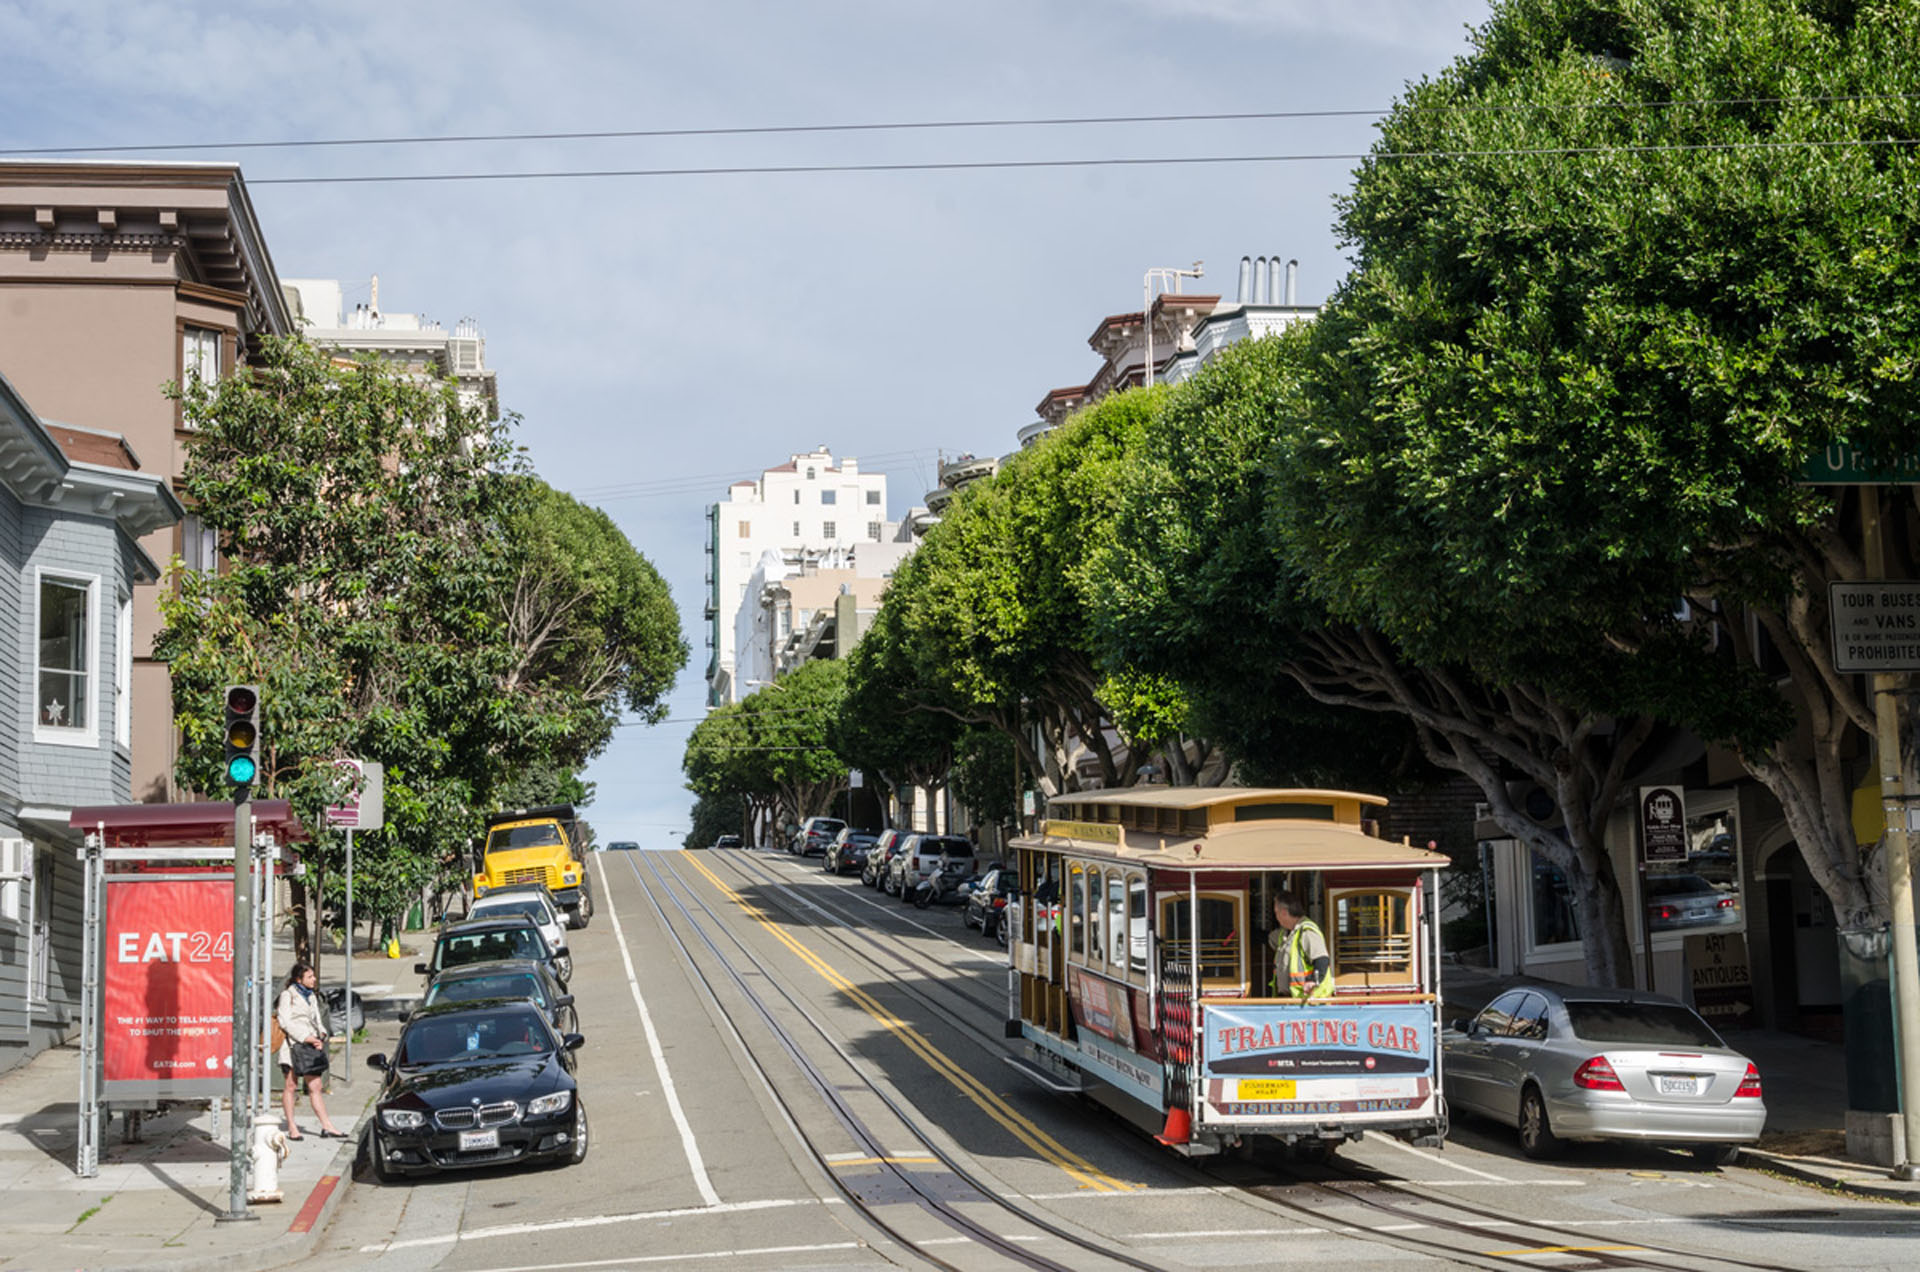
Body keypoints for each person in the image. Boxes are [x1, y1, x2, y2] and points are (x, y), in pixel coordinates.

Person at [276, 962, 345, 1140]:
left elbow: (316, 1019)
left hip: (310, 1045)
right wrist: (306, 1037)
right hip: (293, 1044)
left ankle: (327, 1125)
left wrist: (321, 1034)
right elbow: (284, 1021)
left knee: (316, 1086)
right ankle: (292, 1127)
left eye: (313, 976)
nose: (314, 979)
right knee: (291, 1085)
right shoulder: (287, 995)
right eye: (310, 977)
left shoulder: (311, 997)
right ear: (299, 979)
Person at [1268, 892, 1333, 1001]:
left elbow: (1321, 959)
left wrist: (1312, 981)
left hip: (1308, 999)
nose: (1276, 917)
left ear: (1284, 913)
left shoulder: (1307, 931)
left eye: (1276, 913)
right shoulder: (1286, 933)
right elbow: (1267, 939)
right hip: (1291, 999)